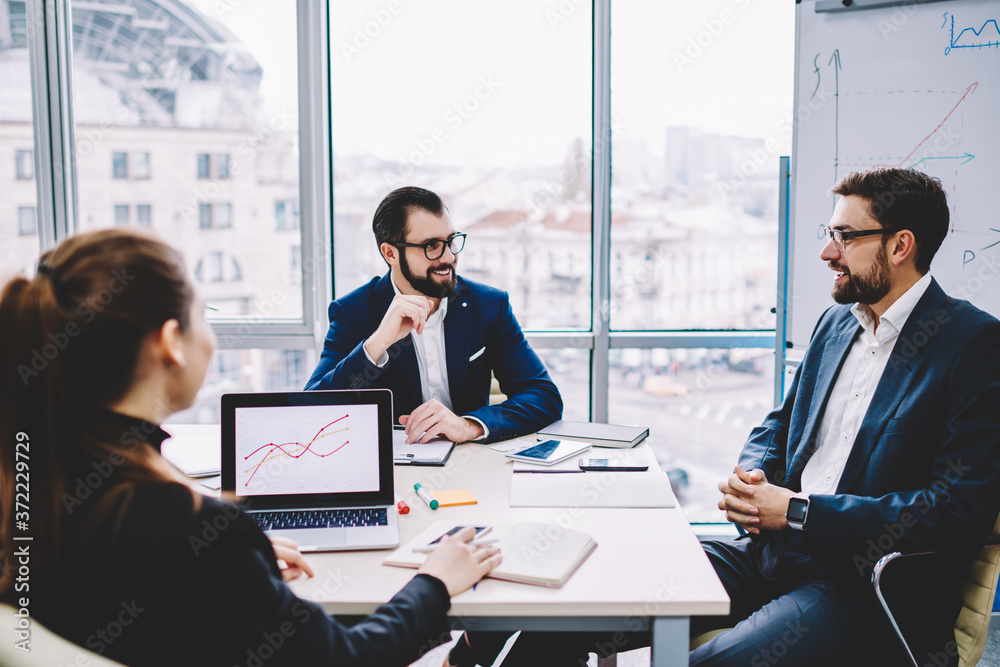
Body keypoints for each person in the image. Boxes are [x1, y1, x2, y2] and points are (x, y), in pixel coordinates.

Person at [449, 168, 1000, 667]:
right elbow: (780, 424)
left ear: (901, 245)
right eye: (829, 235)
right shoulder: (838, 327)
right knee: (579, 604)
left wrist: (802, 512)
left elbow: (957, 513)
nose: (828, 254)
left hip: (857, 586)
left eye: (845, 237)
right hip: (770, 554)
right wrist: (753, 475)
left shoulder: (971, 344)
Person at [0, 229, 502, 667]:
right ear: (171, 341)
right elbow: (345, 659)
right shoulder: (198, 530)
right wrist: (435, 581)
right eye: (204, 315)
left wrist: (236, 563)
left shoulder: (32, 485)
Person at [305, 186, 562, 445]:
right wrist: (377, 344)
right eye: (431, 246)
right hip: (395, 470)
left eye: (450, 242)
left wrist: (469, 425)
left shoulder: (489, 306)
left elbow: (543, 396)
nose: (449, 257)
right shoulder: (352, 312)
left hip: (470, 463)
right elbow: (312, 411)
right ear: (390, 253)